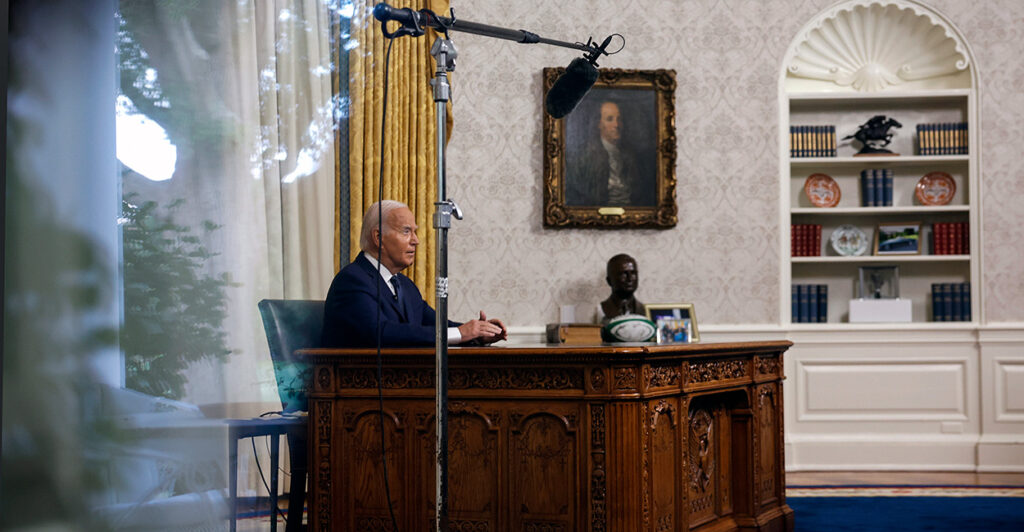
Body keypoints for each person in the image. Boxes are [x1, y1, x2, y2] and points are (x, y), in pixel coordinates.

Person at [322, 200, 507, 348]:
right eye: (406, 232)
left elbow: (434, 325)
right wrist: (461, 333)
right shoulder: (352, 281)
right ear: (378, 238)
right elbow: (380, 333)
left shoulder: (405, 285)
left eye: (414, 232)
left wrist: (479, 333)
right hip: (357, 388)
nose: (416, 241)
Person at [567, 100, 655, 207]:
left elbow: (639, 192)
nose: (616, 125)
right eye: (610, 119)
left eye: (619, 119)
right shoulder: (586, 156)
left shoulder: (631, 155)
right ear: (599, 124)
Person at [598, 253, 645, 324]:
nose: (630, 279)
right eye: (623, 274)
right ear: (609, 280)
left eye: (633, 273)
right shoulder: (601, 310)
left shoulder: (644, 309)